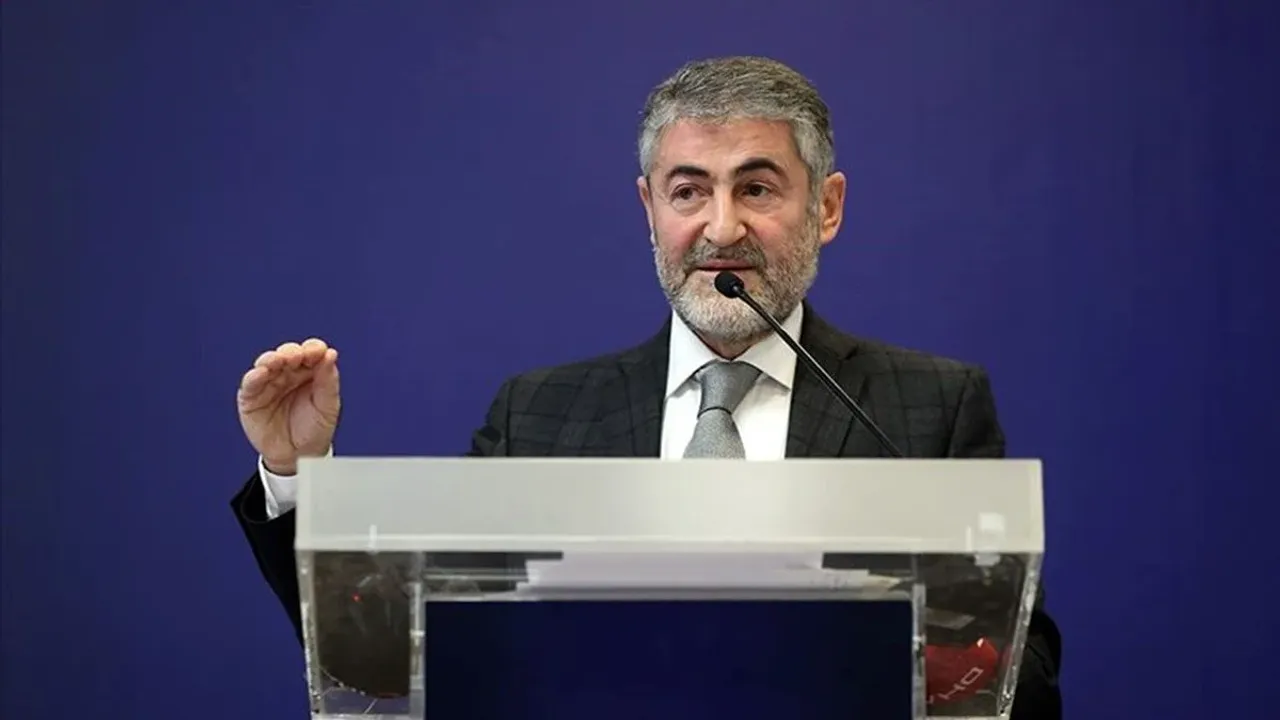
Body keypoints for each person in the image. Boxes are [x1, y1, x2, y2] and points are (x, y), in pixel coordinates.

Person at [231, 56, 1062, 717]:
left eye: (757, 188)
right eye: (689, 191)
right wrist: (298, 476)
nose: (722, 227)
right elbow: (387, 659)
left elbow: (1021, 683)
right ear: (649, 210)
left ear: (827, 208)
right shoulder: (539, 417)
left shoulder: (928, 407)